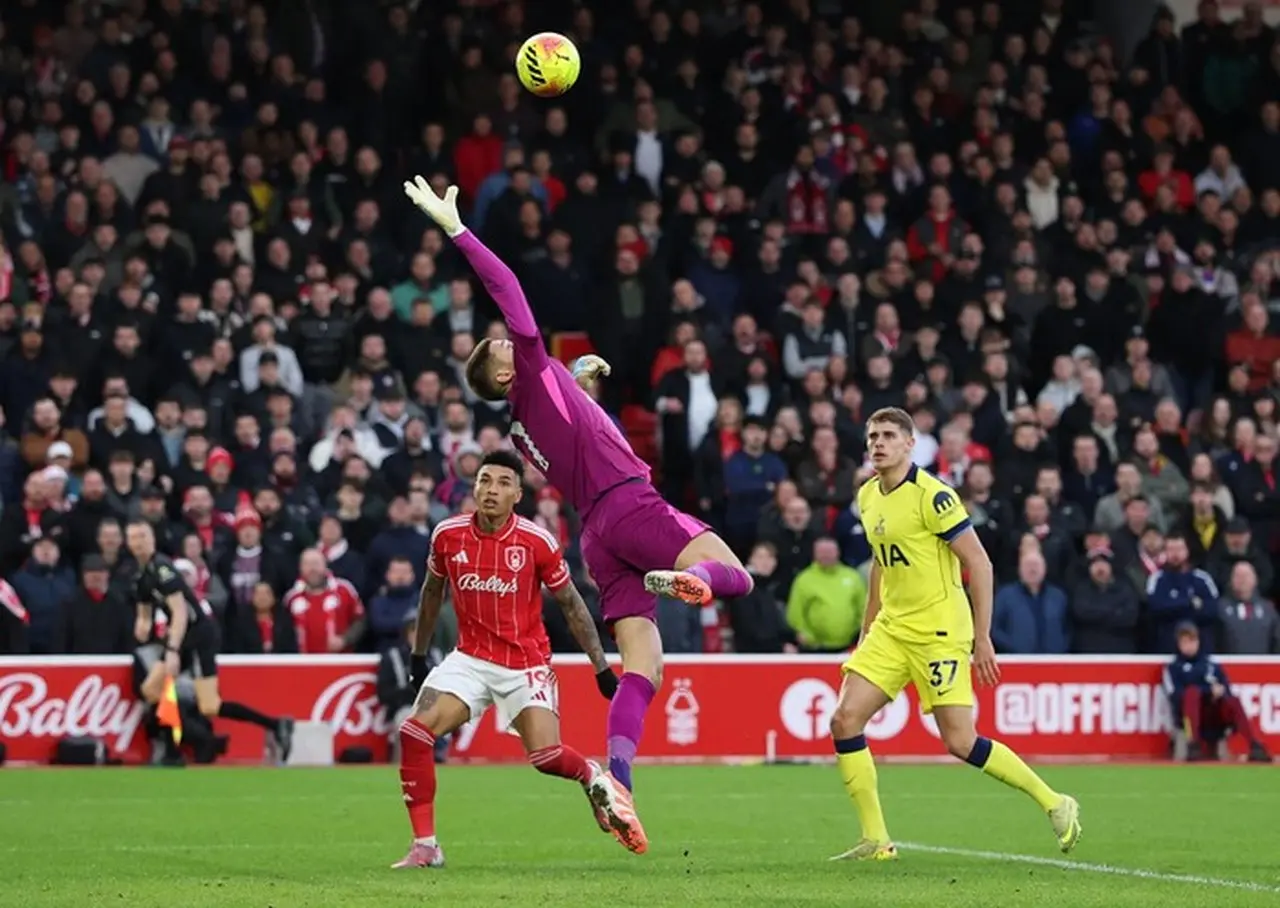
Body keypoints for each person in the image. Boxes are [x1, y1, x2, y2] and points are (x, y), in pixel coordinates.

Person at [402, 176, 754, 846]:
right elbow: (508, 287)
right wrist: (458, 230)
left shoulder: (520, 427)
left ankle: (618, 783)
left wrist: (578, 381)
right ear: (503, 375)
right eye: (504, 349)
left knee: (644, 670)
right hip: (631, 504)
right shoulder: (528, 369)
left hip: (598, 534)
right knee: (737, 575)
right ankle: (690, 581)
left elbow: (574, 429)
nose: (512, 342)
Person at [827, 407, 1081, 861]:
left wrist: (983, 638)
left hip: (940, 631)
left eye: (888, 436)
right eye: (873, 436)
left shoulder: (934, 496)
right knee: (845, 720)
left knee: (960, 742)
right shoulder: (867, 495)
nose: (878, 444)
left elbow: (979, 563)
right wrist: (868, 630)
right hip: (892, 629)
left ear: (910, 444)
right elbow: (882, 565)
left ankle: (1055, 802)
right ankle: (876, 840)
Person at [393, 450, 623, 868]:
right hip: (470, 659)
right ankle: (426, 845)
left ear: (517, 494)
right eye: (484, 480)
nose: (491, 490)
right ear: (474, 487)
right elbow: (431, 592)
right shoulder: (447, 535)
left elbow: (572, 605)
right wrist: (419, 654)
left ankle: (590, 774)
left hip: (525, 663)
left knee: (546, 758)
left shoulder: (537, 541)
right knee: (414, 732)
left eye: (502, 483)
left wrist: (601, 666)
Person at [126, 519, 293, 763]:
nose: (138, 542)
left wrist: (172, 650)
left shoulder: (163, 568)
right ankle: (180, 746)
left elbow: (180, 612)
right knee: (153, 691)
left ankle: (274, 725)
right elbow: (144, 615)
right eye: (133, 537)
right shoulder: (142, 576)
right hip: (181, 635)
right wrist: (141, 630)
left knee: (208, 705)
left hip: (199, 634)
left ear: (152, 539)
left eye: (142, 536)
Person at [1164, 622, 1271, 763]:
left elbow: (1227, 689)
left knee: (1233, 700)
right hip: (1188, 717)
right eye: (1185, 642)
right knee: (1191, 693)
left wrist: (1219, 693)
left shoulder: (1212, 665)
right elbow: (1176, 696)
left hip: (1214, 714)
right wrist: (1207, 691)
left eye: (1192, 641)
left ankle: (1254, 745)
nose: (1189, 646)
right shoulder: (1173, 668)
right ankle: (1193, 744)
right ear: (1178, 644)